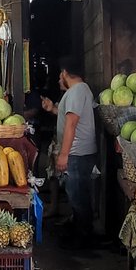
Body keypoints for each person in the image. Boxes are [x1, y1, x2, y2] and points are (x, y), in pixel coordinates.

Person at [42, 57, 99, 247]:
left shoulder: (76, 91)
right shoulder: (80, 90)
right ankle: (80, 231)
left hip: (77, 153)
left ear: (65, 73)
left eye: (60, 73)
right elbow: (69, 115)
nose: (60, 77)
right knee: (78, 193)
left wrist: (64, 154)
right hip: (80, 153)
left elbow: (72, 124)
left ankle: (83, 239)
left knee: (77, 195)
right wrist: (52, 109)